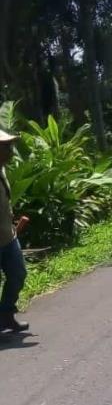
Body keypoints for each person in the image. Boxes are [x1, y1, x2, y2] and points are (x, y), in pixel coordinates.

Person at [0, 129, 29, 334]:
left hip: (8, 237)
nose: (11, 151)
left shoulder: (2, 170)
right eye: (6, 147)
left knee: (18, 274)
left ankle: (6, 315)